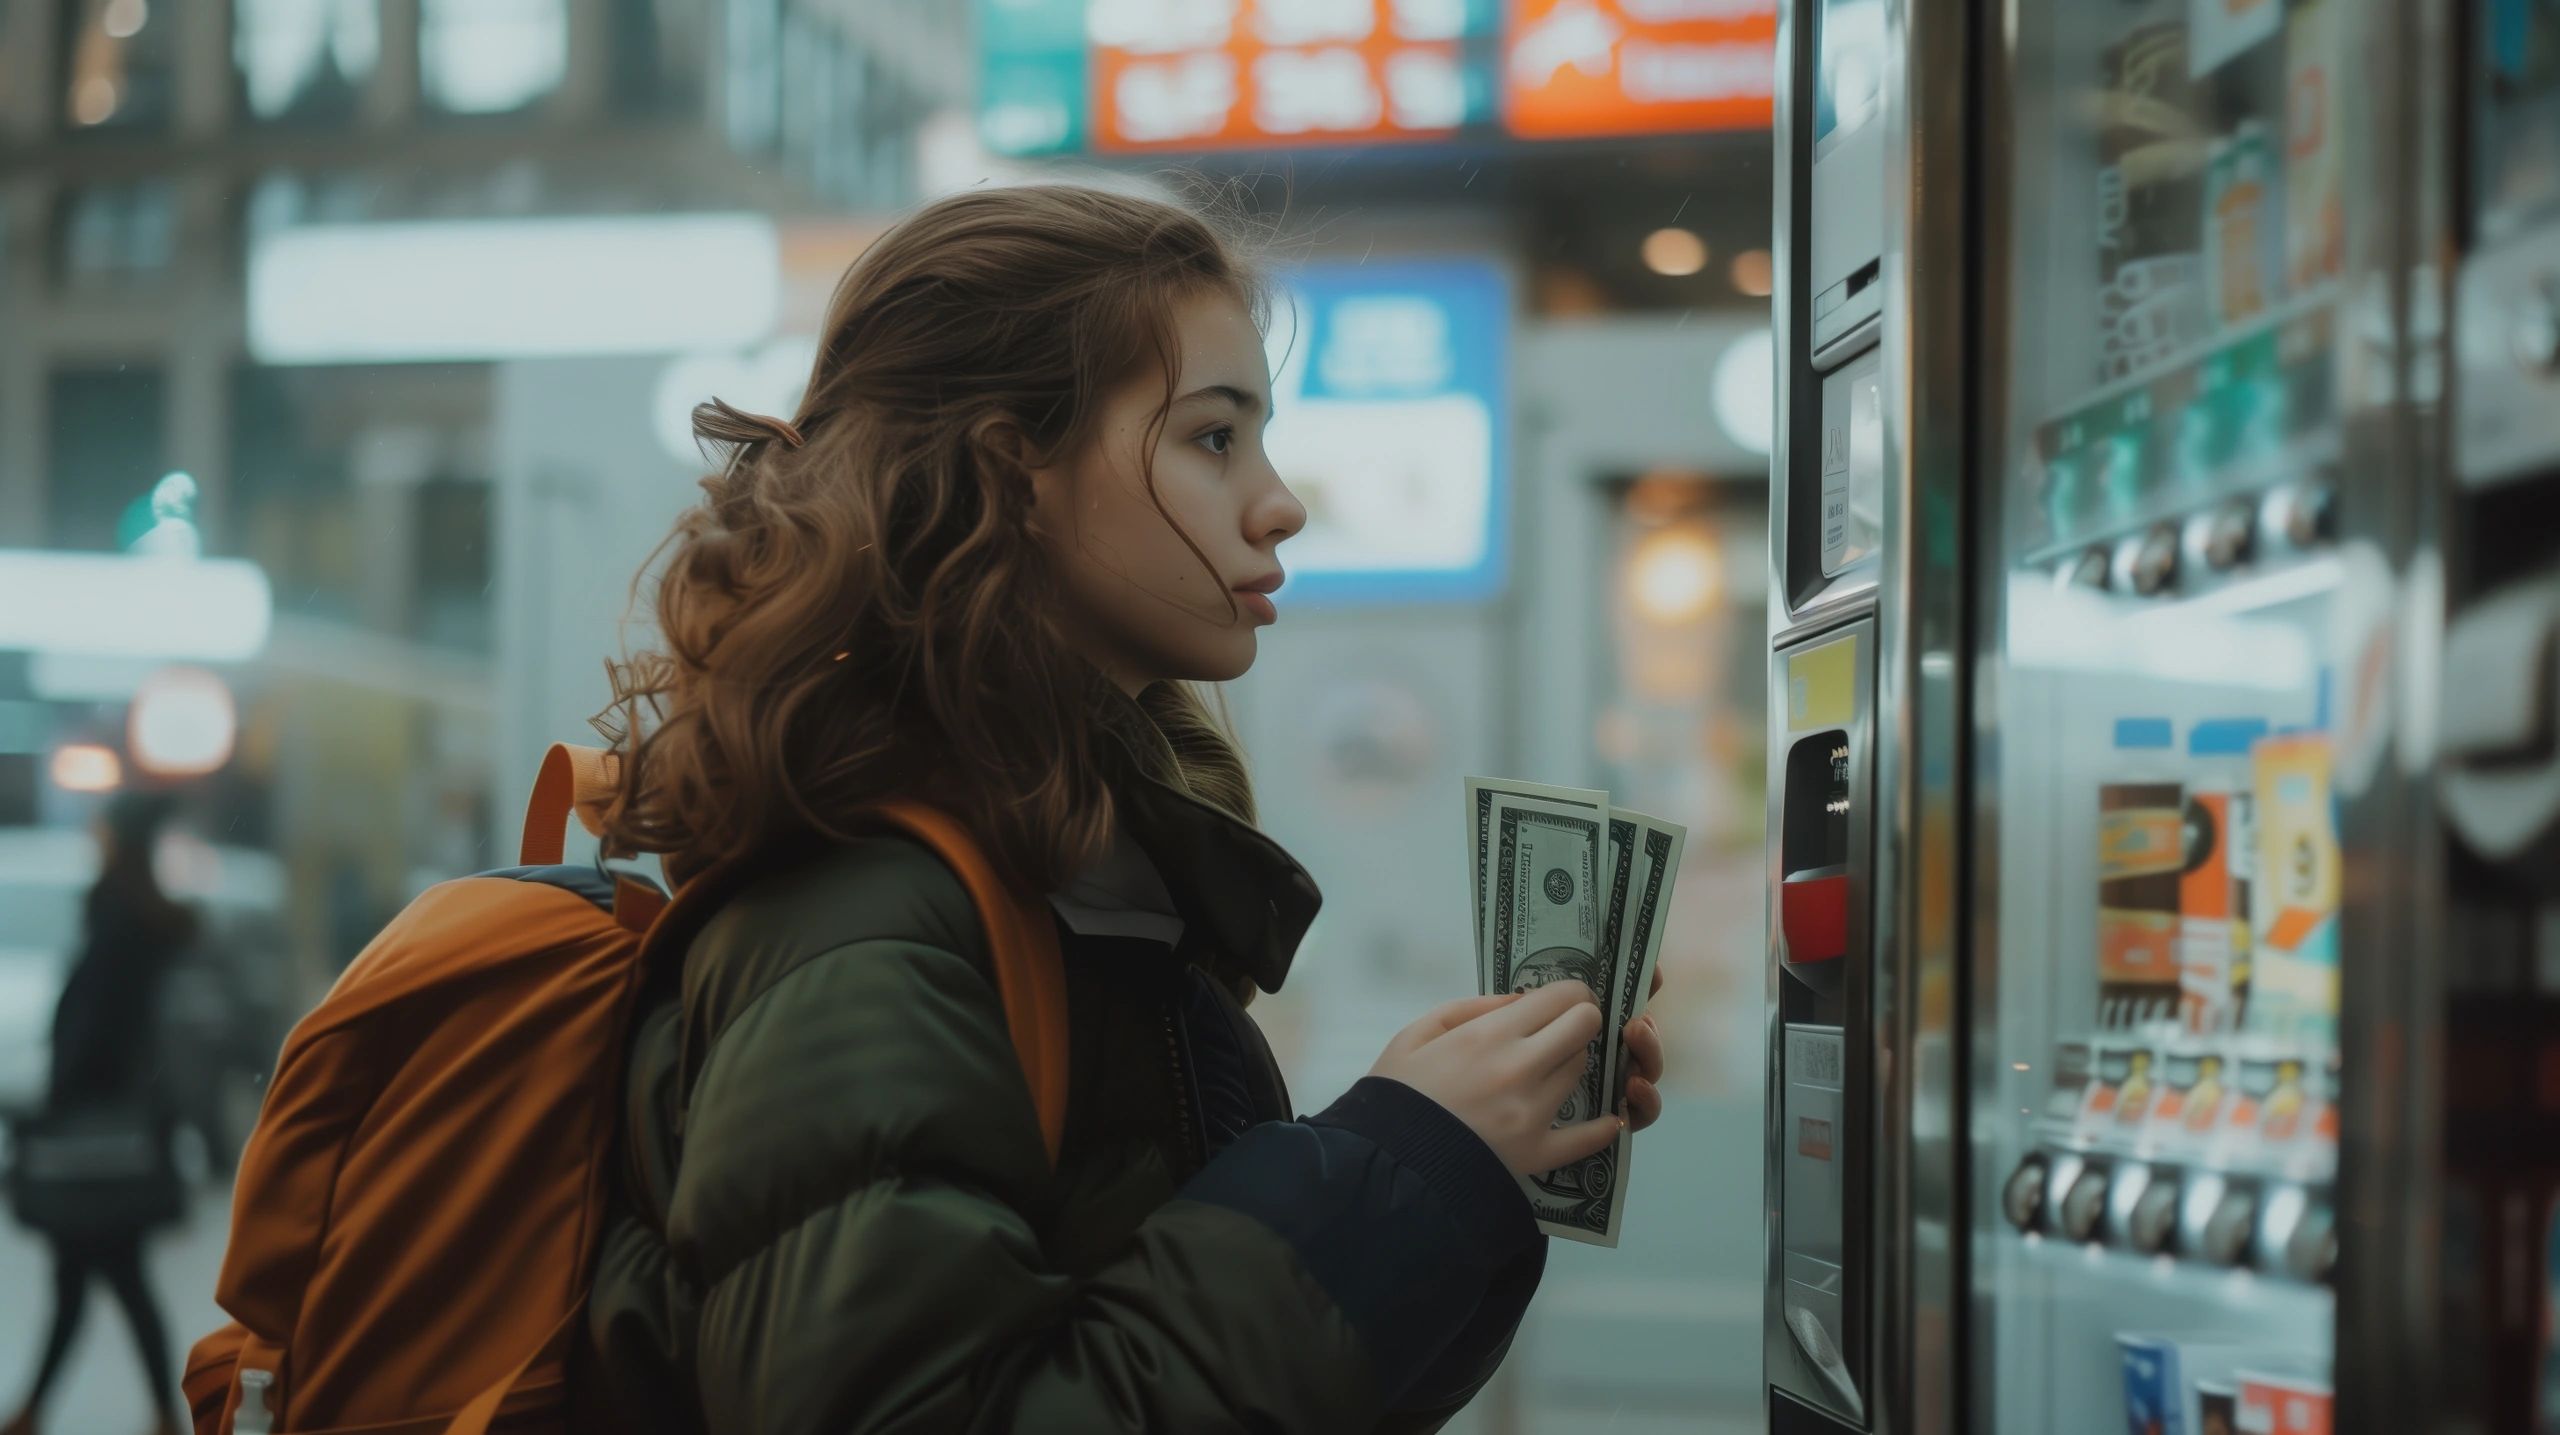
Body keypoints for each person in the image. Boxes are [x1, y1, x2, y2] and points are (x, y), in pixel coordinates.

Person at [577, 183, 1673, 1434]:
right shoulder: (862, 922)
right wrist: (1387, 1164)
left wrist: (1456, 1164)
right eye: (1214, 438)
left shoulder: (1074, 889)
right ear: (1012, 472)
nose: (1281, 501)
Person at [4, 792, 192, 1435]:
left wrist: (59, 1097)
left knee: (100, 1276)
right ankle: (50, 1410)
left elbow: (93, 1028)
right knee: (99, 1277)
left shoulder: (118, 919)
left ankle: (39, 1412)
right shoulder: (141, 917)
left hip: (96, 1128)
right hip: (121, 1127)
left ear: (118, 841)